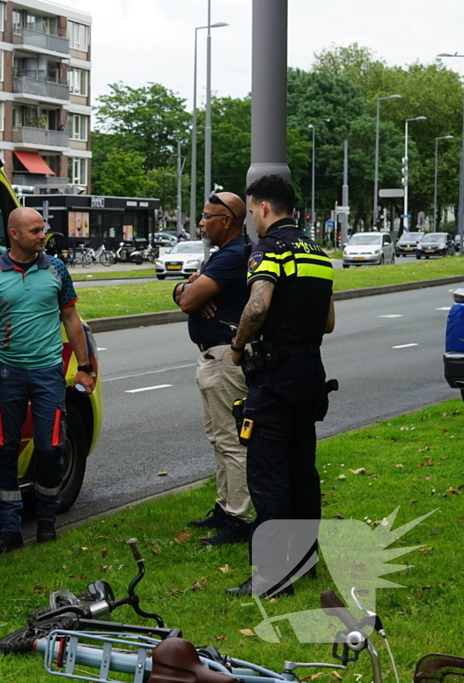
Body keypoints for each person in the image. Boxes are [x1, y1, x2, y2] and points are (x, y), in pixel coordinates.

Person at [225, 175, 336, 598]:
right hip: (310, 372)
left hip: (275, 375)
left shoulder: (269, 248)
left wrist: (238, 346)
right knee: (301, 471)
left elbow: (257, 305)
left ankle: (271, 577)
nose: (252, 218)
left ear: (264, 208)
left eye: (252, 210)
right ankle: (304, 563)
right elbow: (328, 321)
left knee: (269, 474)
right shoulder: (318, 254)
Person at [0, 207, 95, 553]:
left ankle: (46, 520)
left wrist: (85, 366)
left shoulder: (56, 269)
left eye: (42, 230)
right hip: (7, 375)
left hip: (48, 372)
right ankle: (9, 526)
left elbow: (71, 317)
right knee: (5, 449)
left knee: (50, 449)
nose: (42, 236)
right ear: (14, 235)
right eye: (34, 231)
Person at [172, 191, 253, 546]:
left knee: (232, 441)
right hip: (212, 357)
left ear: (228, 221)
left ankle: (239, 518)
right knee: (219, 438)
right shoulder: (222, 256)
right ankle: (225, 507)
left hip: (225, 358)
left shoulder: (234, 255)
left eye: (208, 217)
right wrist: (188, 288)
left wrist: (192, 293)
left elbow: (189, 299)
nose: (202, 223)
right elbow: (186, 294)